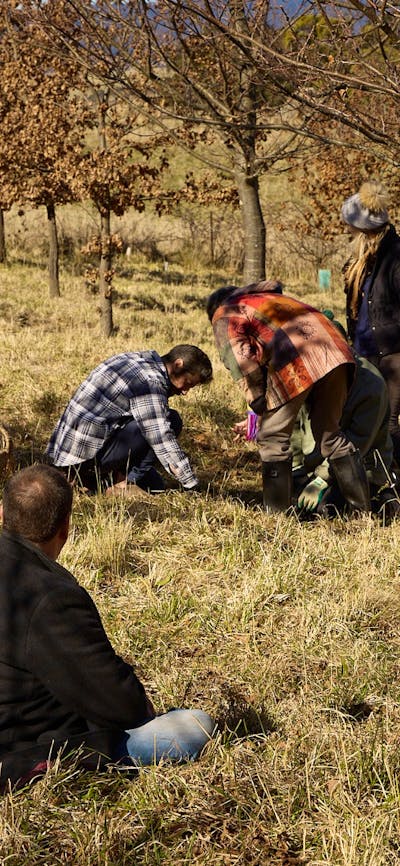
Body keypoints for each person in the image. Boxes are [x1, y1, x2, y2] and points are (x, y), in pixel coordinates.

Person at [0, 464, 215, 789]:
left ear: (2, 513)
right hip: (21, 750)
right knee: (195, 726)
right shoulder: (51, 599)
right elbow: (121, 706)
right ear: (65, 529)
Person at [207, 281, 370, 514]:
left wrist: (257, 403)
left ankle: (276, 515)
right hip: (338, 352)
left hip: (298, 358)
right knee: (330, 436)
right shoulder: (269, 299)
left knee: (273, 438)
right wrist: (257, 414)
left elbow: (241, 362)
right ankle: (362, 513)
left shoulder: (225, 312)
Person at [46, 345, 212, 495]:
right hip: (83, 458)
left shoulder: (137, 360)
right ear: (178, 365)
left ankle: (101, 481)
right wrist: (191, 484)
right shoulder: (150, 382)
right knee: (172, 420)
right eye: (188, 384)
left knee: (156, 485)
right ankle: (122, 483)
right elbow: (161, 436)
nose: (185, 392)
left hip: (68, 451)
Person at [341, 179, 400, 465]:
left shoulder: (395, 258)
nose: (347, 231)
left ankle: (390, 486)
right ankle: (370, 480)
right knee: (367, 420)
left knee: (387, 423)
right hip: (364, 352)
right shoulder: (360, 262)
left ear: (363, 229)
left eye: (350, 227)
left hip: (392, 355)